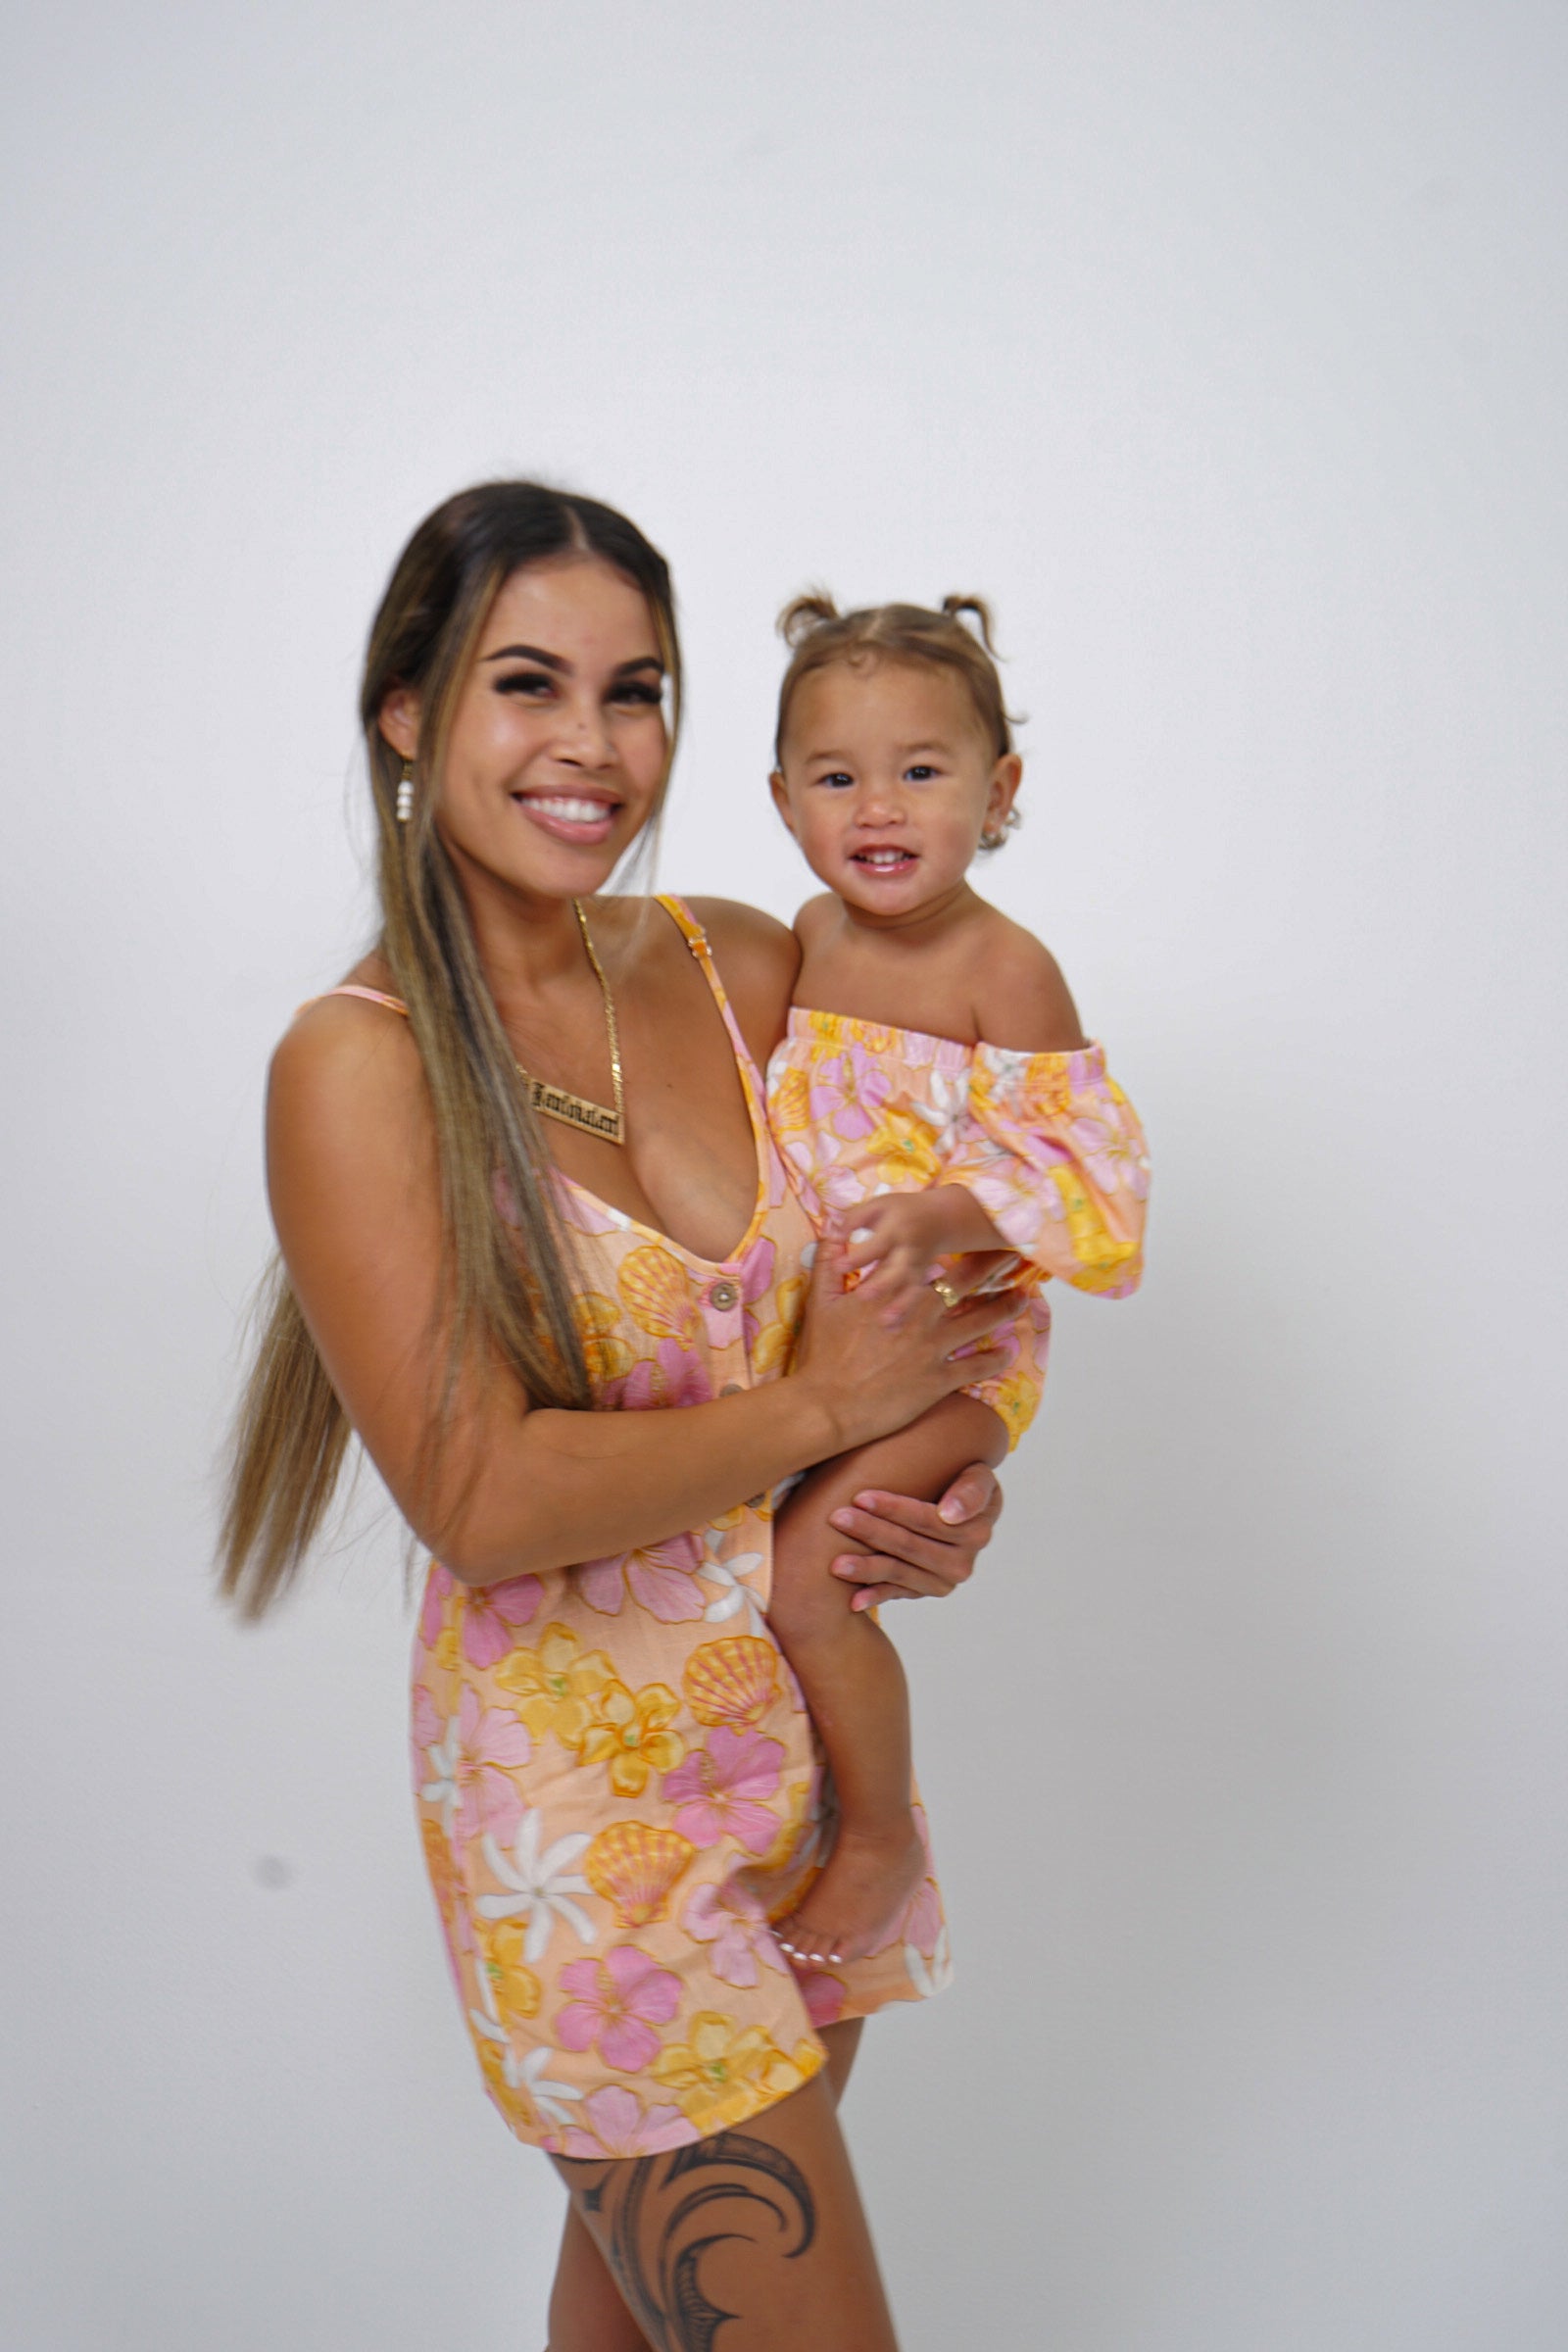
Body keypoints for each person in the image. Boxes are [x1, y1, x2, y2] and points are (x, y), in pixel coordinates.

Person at [219, 483, 1021, 2352]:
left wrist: (932, 1485)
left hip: (800, 1780)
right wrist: (824, 1403)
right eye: (528, 683)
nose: (590, 743)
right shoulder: (357, 1064)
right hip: (587, 1843)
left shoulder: (749, 964)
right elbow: (485, 1495)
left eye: (635, 689)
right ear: (407, 712)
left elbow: (956, 1220)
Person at [762, 593, 1151, 1969]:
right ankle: (780, 1819)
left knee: (808, 1579)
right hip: (824, 1348)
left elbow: (1096, 1182)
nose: (879, 806)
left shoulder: (1005, 969)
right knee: (740, 1570)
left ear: (999, 793)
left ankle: (879, 1839)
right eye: (836, 776)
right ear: (783, 802)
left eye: (922, 770)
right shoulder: (805, 937)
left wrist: (948, 1215)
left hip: (956, 1355)